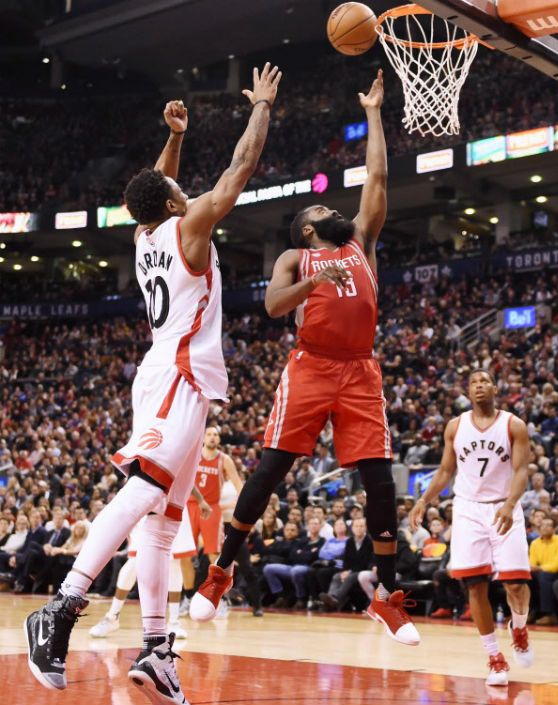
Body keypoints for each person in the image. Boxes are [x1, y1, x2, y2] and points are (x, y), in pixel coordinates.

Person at [24, 63, 280, 703]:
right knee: (146, 490)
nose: (183, 190)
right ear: (174, 204)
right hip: (179, 374)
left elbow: (153, 190)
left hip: (171, 373)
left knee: (164, 524)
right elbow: (238, 172)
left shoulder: (146, 232)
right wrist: (262, 108)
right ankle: (61, 607)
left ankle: (157, 650)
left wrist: (174, 140)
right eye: (176, 187)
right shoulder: (188, 227)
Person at [191, 70, 418, 647]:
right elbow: (271, 306)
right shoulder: (297, 256)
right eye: (320, 209)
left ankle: (387, 599)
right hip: (312, 365)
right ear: (307, 229)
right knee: (269, 470)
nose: (331, 210)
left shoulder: (361, 241)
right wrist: (319, 285)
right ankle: (220, 574)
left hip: (362, 369)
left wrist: (372, 112)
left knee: (381, 484)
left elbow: (379, 175)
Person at [410, 369, 533, 686]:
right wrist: (423, 500)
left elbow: (521, 471)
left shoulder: (513, 425)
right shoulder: (455, 426)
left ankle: (519, 627)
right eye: (473, 383)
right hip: (467, 509)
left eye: (484, 382)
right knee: (475, 586)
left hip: (505, 506)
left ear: (495, 387)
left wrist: (509, 504)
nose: (479, 386)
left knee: (516, 586)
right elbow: (444, 470)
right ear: (468, 391)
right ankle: (494, 657)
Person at [90, 503, 201, 639]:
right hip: (150, 500)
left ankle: (173, 622)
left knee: (174, 562)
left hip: (175, 501)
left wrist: (200, 500)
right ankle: (113, 616)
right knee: (133, 562)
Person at [182, 427, 243, 609]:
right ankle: (188, 597)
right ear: (203, 438)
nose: (212, 437)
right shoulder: (193, 455)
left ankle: (220, 600)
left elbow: (238, 484)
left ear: (219, 439)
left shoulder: (224, 460)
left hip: (212, 509)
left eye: (216, 434)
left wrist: (247, 508)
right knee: (184, 554)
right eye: (209, 434)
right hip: (190, 506)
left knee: (214, 556)